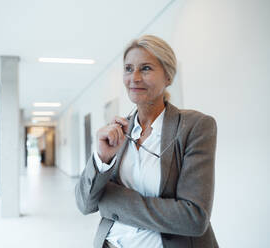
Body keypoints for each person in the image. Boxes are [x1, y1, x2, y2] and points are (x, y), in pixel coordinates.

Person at [75, 35, 218, 248]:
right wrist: (103, 158)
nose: (135, 77)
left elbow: (194, 218)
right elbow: (85, 204)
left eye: (146, 68)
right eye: (128, 68)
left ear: (168, 76)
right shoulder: (117, 132)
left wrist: (110, 200)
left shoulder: (195, 126)